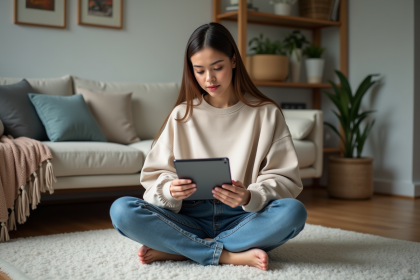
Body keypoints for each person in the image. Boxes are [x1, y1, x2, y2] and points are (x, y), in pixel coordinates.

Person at [109, 22, 307, 271]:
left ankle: (184, 250)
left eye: (217, 68)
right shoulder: (182, 115)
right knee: (122, 210)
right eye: (199, 70)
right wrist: (170, 189)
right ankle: (229, 254)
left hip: (243, 216)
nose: (209, 79)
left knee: (293, 212)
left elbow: (285, 177)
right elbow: (154, 176)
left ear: (234, 61)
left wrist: (249, 195)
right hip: (188, 215)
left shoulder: (266, 114)